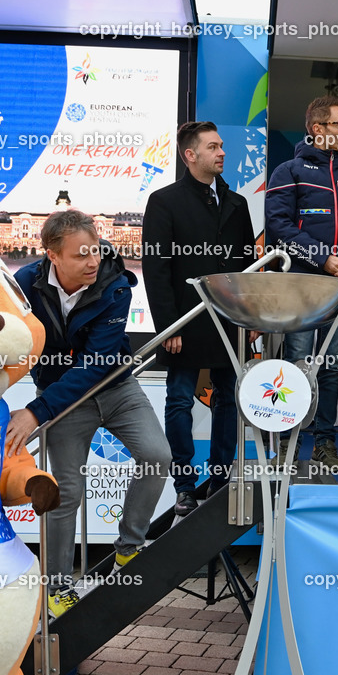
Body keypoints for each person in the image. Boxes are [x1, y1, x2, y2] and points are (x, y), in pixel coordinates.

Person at [6, 210, 170, 617]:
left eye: (95, 251)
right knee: (65, 493)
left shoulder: (116, 283)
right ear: (52, 257)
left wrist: (36, 411)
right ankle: (58, 587)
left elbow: (97, 363)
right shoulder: (23, 285)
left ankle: (129, 548)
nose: (93, 262)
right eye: (81, 256)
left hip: (115, 388)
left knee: (157, 456)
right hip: (63, 400)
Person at [142, 121, 257, 515]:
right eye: (213, 146)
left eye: (222, 145)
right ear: (190, 155)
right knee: (179, 400)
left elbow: (248, 267)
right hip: (185, 322)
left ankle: (221, 479)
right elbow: (155, 267)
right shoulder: (164, 200)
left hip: (229, 320)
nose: (222, 152)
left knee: (230, 399)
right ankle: (185, 487)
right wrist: (167, 326)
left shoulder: (238, 203)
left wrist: (250, 317)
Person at [265, 96, 338, 468]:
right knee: (296, 362)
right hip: (301, 283)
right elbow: (278, 226)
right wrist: (322, 258)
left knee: (331, 365)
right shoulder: (289, 171)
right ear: (318, 129)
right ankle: (287, 442)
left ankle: (324, 443)